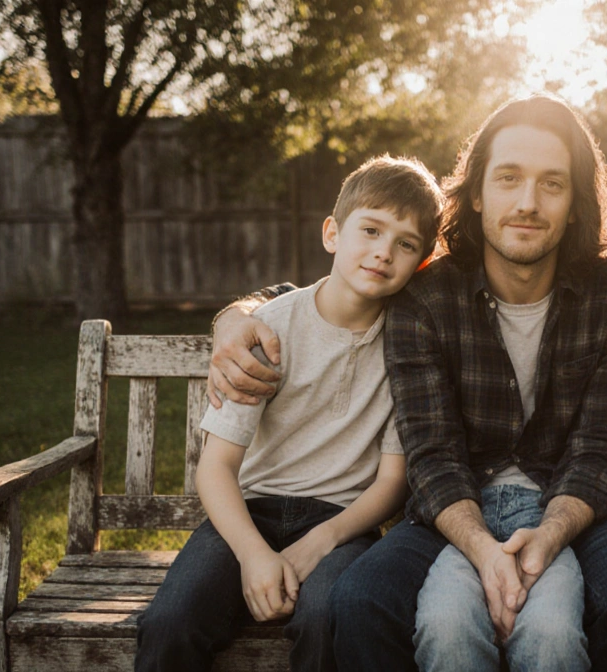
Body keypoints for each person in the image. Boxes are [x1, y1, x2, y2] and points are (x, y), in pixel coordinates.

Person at [209, 93, 607, 672]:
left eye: (552, 184)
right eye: (508, 178)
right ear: (478, 193)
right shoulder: (427, 299)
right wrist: (234, 316)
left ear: (573, 205)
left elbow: (604, 442)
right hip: (452, 508)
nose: (529, 203)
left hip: (574, 507)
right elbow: (430, 451)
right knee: (360, 601)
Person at [134, 155, 444, 672]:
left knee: (327, 617)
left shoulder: (409, 343)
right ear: (332, 233)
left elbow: (391, 483)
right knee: (170, 623)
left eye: (405, 244)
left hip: (343, 523)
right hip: (247, 511)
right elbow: (216, 468)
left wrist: (320, 541)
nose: (383, 252)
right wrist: (254, 555)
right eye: (370, 229)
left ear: (421, 261)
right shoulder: (267, 329)